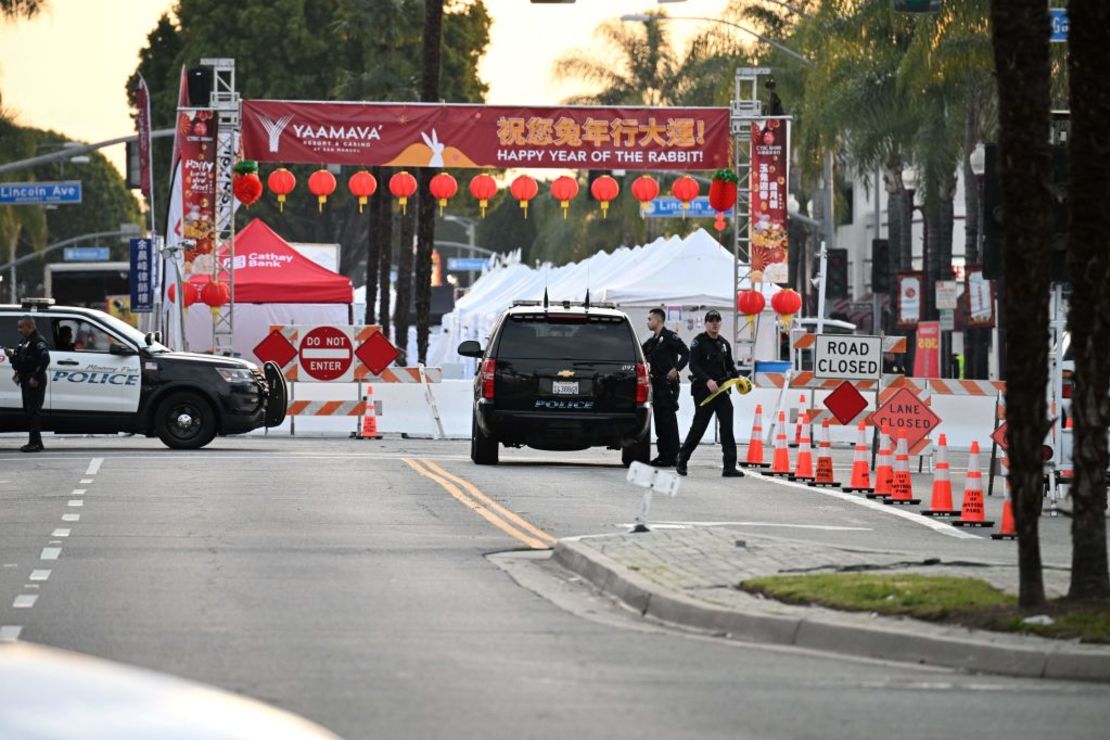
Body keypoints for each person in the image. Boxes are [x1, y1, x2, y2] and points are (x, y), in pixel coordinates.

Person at [676, 310, 744, 478]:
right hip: (704, 391)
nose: (715, 324)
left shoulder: (724, 344)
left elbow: (730, 366)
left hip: (721, 391)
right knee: (699, 428)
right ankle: (682, 460)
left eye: (717, 321)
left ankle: (729, 466)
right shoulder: (698, 342)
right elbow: (693, 365)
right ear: (706, 323)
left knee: (727, 428)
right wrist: (707, 380)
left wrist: (739, 378)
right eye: (711, 321)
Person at [641, 307, 689, 467]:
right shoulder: (653, 341)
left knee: (669, 421)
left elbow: (686, 353)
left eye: (650, 319)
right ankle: (663, 455)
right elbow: (641, 351)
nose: (648, 322)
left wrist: (676, 369)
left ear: (658, 320)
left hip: (668, 385)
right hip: (656, 386)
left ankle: (673, 456)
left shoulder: (669, 337)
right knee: (660, 422)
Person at [7, 315, 51, 452]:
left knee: (33, 412)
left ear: (30, 326)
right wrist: (11, 356)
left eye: (21, 327)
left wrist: (36, 377)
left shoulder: (38, 341)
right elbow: (20, 361)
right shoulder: (25, 341)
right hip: (25, 379)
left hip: (34, 381)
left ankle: (35, 444)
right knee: (29, 411)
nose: (19, 330)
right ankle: (36, 441)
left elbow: (45, 359)